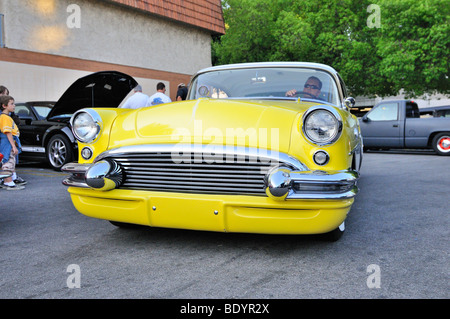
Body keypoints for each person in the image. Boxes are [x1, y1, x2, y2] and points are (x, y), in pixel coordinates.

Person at [0, 95, 25, 190]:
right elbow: (7, 132)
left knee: (11, 161)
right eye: (12, 104)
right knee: (8, 161)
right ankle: (7, 181)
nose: (14, 106)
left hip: (9, 141)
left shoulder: (7, 117)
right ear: (4, 106)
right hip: (7, 142)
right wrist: (13, 146)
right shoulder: (5, 117)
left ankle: (10, 179)